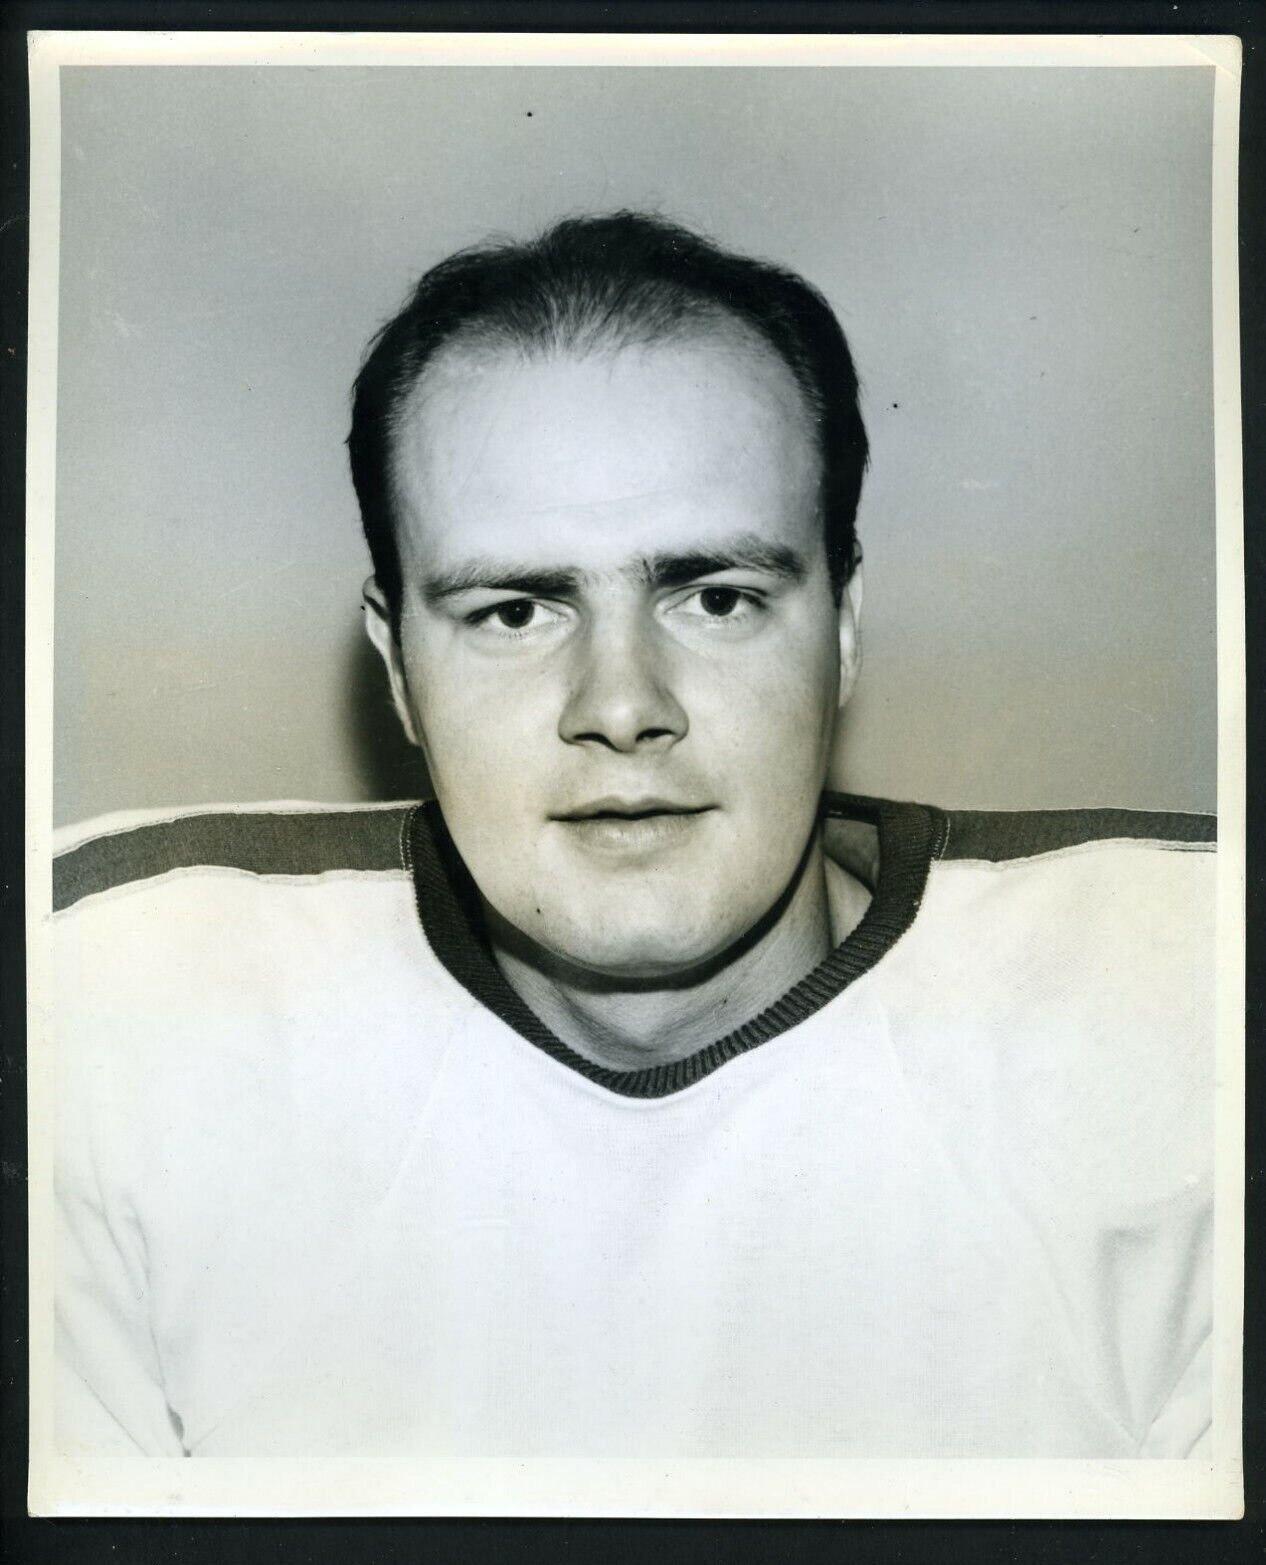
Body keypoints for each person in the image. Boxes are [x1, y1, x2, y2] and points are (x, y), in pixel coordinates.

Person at [53, 213, 1214, 1459]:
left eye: (716, 598)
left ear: (842, 627)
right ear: (397, 667)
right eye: (511, 611)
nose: (621, 706)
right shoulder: (110, 1003)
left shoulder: (1187, 1004)